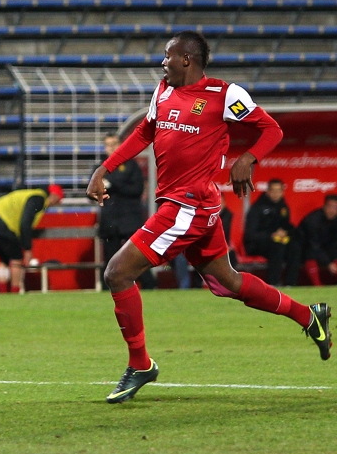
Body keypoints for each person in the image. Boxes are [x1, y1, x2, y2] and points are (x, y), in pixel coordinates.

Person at [86, 31, 331, 405]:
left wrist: (248, 158)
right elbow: (145, 132)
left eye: (167, 56)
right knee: (228, 281)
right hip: (189, 204)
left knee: (117, 272)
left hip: (188, 205)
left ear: (187, 59)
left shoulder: (224, 95)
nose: (162, 62)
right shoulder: (163, 91)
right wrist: (105, 167)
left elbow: (271, 128)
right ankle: (308, 316)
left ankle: (141, 365)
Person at [98, 132, 156, 290]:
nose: (112, 147)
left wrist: (112, 184)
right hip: (109, 221)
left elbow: (137, 189)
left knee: (137, 257)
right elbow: (92, 192)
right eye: (108, 144)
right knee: (109, 260)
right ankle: (107, 290)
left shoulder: (131, 165)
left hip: (130, 219)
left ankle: (150, 286)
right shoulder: (100, 167)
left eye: (114, 143)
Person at [0, 185, 64, 293]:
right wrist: (28, 249)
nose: (55, 203)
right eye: (57, 199)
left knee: (5, 259)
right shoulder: (39, 198)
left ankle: (2, 292)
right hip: (2, 221)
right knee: (17, 258)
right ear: (53, 196)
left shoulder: (29, 194)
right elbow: (25, 223)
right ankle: (15, 291)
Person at [243, 179, 301, 286]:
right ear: (268, 192)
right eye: (273, 190)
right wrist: (271, 235)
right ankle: (273, 284)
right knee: (277, 246)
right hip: (256, 245)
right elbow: (250, 234)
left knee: (294, 247)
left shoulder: (283, 207)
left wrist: (285, 232)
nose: (276, 194)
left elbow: (286, 226)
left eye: (279, 190)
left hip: (276, 242)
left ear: (282, 192)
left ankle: (290, 284)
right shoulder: (257, 208)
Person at [297, 194, 337, 285]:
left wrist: (334, 260)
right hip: (306, 248)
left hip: (325, 249)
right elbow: (313, 244)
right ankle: (317, 285)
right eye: (330, 206)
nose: (332, 210)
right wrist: (328, 263)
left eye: (335, 208)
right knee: (310, 253)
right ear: (324, 206)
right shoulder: (313, 220)